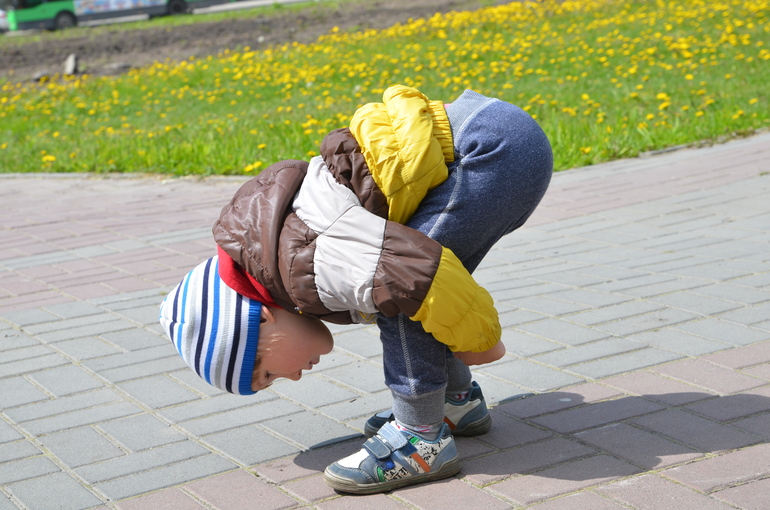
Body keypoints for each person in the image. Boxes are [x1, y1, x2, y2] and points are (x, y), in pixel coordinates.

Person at [159, 85, 552, 494]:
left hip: (486, 151)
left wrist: (481, 340)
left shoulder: (306, 265)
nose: (292, 377)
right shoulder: (282, 254)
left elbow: (416, 277)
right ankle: (455, 403)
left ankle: (421, 439)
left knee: (401, 300)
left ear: (261, 317)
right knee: (402, 289)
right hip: (491, 133)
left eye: (269, 372)